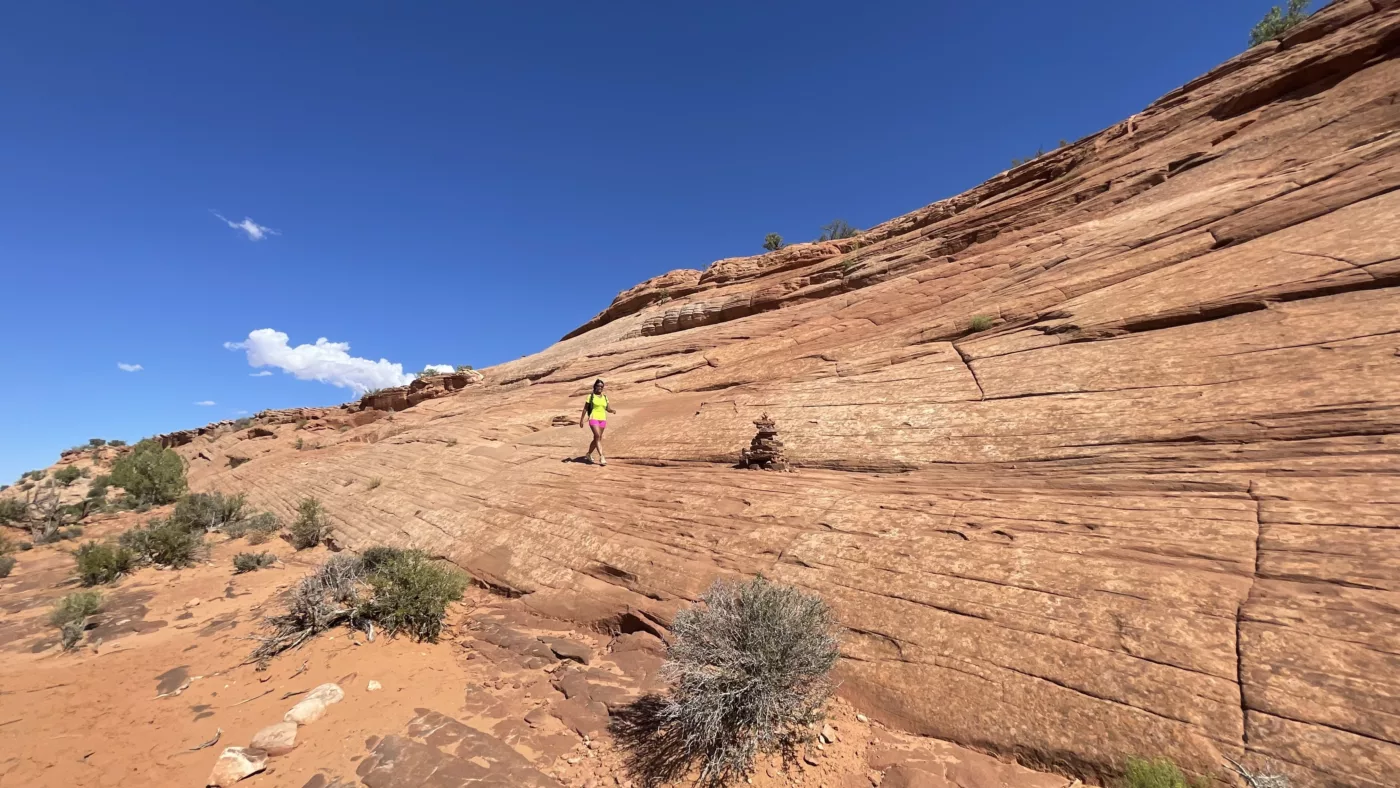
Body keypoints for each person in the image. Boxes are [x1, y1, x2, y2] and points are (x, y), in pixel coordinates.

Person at [579, 379, 617, 465]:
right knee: (597, 435)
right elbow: (585, 408)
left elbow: (607, 408)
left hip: (603, 419)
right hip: (593, 418)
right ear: (595, 386)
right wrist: (581, 420)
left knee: (597, 438)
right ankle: (602, 457)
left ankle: (588, 454)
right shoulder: (590, 396)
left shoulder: (605, 397)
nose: (600, 388)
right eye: (598, 386)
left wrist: (612, 410)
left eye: (601, 386)